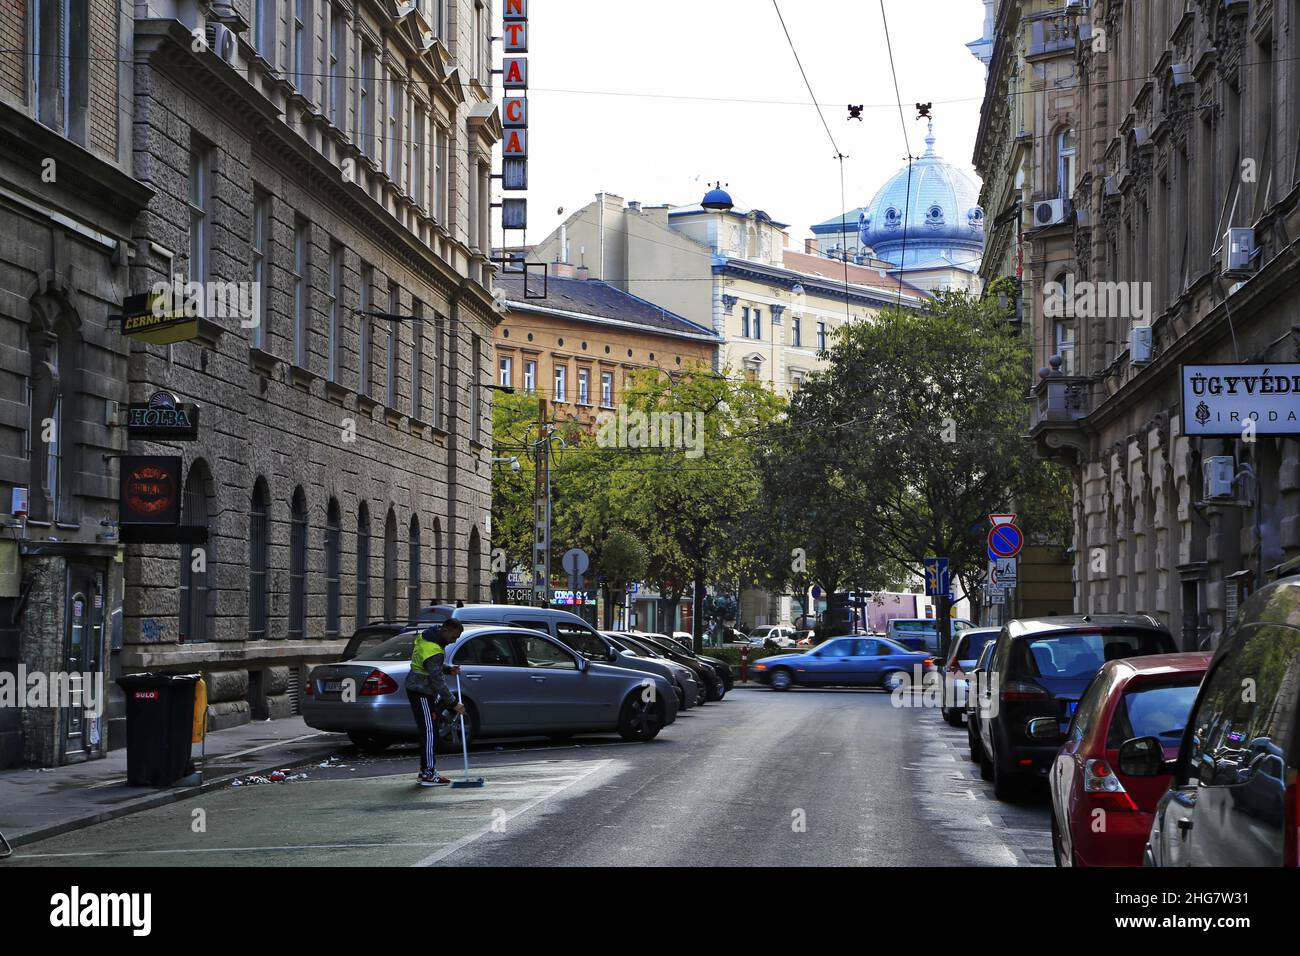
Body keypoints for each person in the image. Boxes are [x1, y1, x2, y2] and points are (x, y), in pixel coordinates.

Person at [406, 620, 466, 787]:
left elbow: (430, 664)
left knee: (428, 730)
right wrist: (454, 703)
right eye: (454, 636)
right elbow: (438, 681)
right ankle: (428, 773)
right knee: (429, 732)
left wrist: (447, 668)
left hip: (417, 688)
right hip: (422, 692)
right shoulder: (434, 649)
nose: (454, 640)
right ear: (445, 630)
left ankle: (426, 770)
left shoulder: (427, 637)